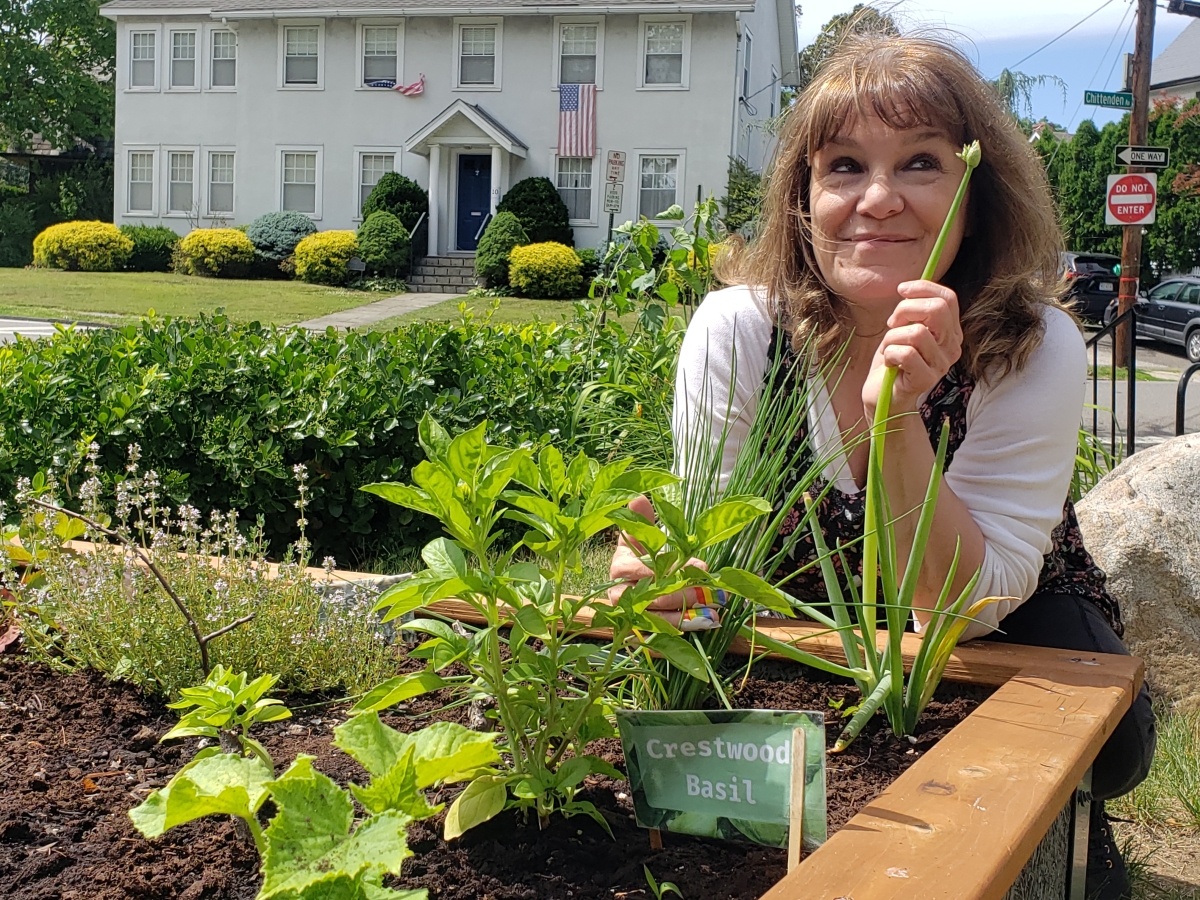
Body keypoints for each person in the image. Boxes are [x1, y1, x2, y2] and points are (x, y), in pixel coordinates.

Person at [608, 32, 1155, 899]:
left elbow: (959, 613)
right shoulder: (742, 330)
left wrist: (897, 420)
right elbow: (720, 561)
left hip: (1001, 626)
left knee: (1090, 754)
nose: (879, 199)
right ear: (802, 199)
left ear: (977, 196)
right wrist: (673, 577)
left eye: (923, 163)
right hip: (806, 629)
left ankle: (1073, 846)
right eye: (845, 166)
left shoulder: (1030, 342)